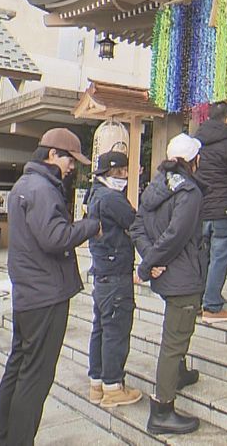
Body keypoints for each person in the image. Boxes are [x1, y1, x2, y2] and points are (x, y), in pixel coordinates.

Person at [0, 128, 101, 445]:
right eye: (70, 160)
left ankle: (1, 439)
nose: (72, 168)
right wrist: (91, 226)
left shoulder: (24, 185)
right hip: (47, 294)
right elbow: (55, 238)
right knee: (35, 377)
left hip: (28, 292)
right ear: (53, 154)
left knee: (17, 368)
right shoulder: (43, 189)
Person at [131, 133, 205, 436]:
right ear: (192, 161)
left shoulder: (156, 185)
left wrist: (150, 256)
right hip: (182, 274)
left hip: (166, 272)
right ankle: (162, 408)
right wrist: (149, 265)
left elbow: (137, 226)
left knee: (178, 330)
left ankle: (179, 373)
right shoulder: (189, 191)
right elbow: (176, 235)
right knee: (174, 339)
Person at [86, 150, 144, 409]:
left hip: (102, 273)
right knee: (116, 330)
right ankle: (113, 387)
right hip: (116, 273)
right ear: (115, 172)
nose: (125, 176)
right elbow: (135, 221)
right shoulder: (112, 198)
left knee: (101, 328)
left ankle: (97, 383)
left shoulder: (95, 195)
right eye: (123, 172)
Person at [192, 101, 227, 325]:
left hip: (202, 208)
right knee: (220, 257)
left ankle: (198, 301)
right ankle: (212, 305)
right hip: (226, 208)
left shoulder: (196, 143)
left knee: (203, 257)